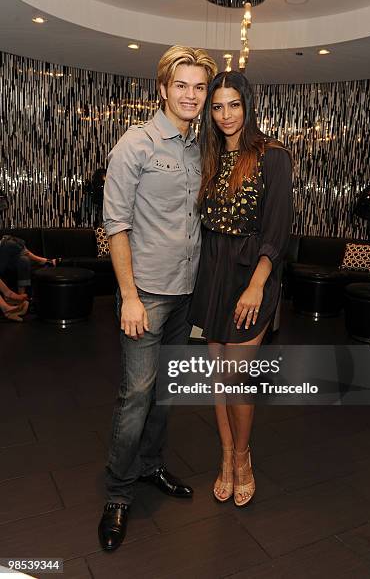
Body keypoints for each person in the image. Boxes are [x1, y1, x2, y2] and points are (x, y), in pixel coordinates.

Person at [99, 45, 217, 552]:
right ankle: (119, 495)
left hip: (186, 291)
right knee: (136, 397)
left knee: (167, 392)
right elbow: (116, 224)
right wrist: (127, 295)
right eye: (182, 85)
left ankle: (150, 467)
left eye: (199, 87)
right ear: (163, 88)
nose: (191, 95)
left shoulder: (199, 146)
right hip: (145, 294)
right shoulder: (137, 144)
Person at [189, 70, 293, 507]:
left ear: (247, 105)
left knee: (237, 377)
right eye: (217, 106)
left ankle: (245, 457)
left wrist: (256, 285)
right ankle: (226, 456)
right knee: (218, 377)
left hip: (253, 274)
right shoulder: (208, 155)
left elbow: (278, 227)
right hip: (212, 271)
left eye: (233, 104)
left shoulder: (272, 155)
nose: (226, 114)